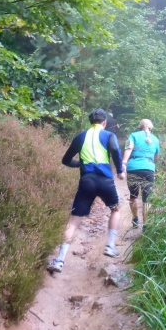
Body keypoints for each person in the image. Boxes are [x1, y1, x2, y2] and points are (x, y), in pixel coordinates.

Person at [47, 108, 125, 274]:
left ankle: (59, 260)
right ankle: (110, 246)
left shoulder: (81, 136)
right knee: (115, 209)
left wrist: (81, 164)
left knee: (73, 221)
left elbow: (66, 160)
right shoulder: (109, 135)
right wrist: (120, 170)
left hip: (87, 181)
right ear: (104, 122)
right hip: (105, 181)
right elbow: (115, 151)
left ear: (90, 122)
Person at [123, 119, 160, 229]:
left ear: (140, 126)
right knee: (147, 198)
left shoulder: (133, 135)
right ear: (151, 128)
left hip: (133, 168)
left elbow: (128, 148)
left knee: (133, 196)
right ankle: (146, 225)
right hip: (149, 168)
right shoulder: (155, 139)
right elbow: (156, 157)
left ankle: (135, 219)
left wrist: (124, 162)